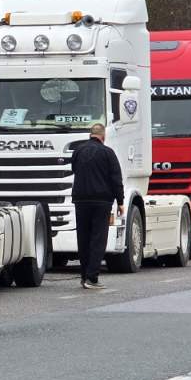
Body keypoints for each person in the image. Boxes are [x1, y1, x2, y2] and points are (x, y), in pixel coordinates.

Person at [71, 123, 124, 291]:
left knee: (83, 239)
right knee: (98, 240)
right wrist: (120, 201)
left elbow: (74, 169)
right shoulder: (108, 153)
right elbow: (116, 178)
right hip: (101, 201)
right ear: (103, 136)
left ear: (90, 135)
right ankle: (92, 278)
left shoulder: (78, 151)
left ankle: (84, 276)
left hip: (81, 200)